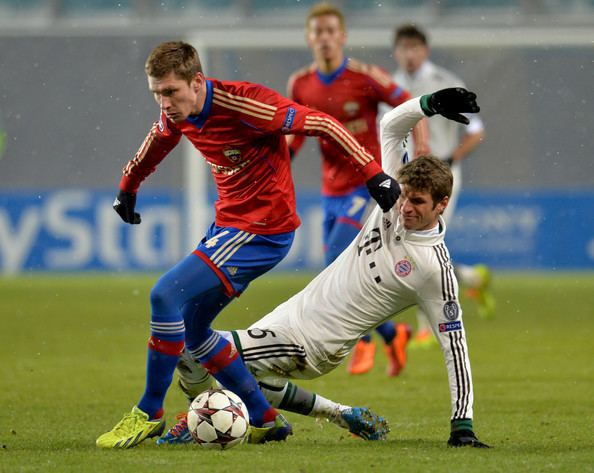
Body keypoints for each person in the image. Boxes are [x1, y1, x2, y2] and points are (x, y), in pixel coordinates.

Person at [96, 40, 401, 449]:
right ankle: (265, 417)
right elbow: (157, 141)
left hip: (261, 229)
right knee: (193, 329)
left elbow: (324, 123)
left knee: (163, 296)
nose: (164, 102)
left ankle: (148, 411)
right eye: (157, 93)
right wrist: (128, 186)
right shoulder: (179, 113)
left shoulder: (248, 105)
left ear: (197, 81)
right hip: (232, 224)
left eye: (170, 92)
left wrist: (373, 173)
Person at [160, 88, 490, 448]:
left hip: (314, 342)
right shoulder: (395, 200)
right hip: (289, 316)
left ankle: (196, 421)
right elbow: (392, 127)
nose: (405, 207)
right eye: (405, 196)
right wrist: (428, 105)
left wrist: (463, 426)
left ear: (443, 205)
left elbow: (454, 347)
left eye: (418, 202)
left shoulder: (434, 270)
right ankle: (333, 413)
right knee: (241, 378)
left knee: (187, 346)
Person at [287, 2, 430, 377]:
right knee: (337, 268)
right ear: (309, 38)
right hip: (331, 191)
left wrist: (423, 150)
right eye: (318, 32)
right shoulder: (301, 84)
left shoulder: (366, 77)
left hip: (370, 186)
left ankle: (363, 341)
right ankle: (391, 332)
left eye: (331, 31)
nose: (325, 38)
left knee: (337, 260)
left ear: (342, 36)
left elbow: (411, 107)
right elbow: (294, 141)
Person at [382, 23, 494, 351]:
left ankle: (426, 328)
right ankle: (473, 278)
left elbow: (477, 130)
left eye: (414, 48)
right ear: (397, 52)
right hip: (407, 178)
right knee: (415, 246)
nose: (409, 55)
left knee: (419, 245)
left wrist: (451, 158)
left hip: (443, 176)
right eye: (404, 49)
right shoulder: (390, 87)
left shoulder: (446, 83)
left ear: (424, 51)